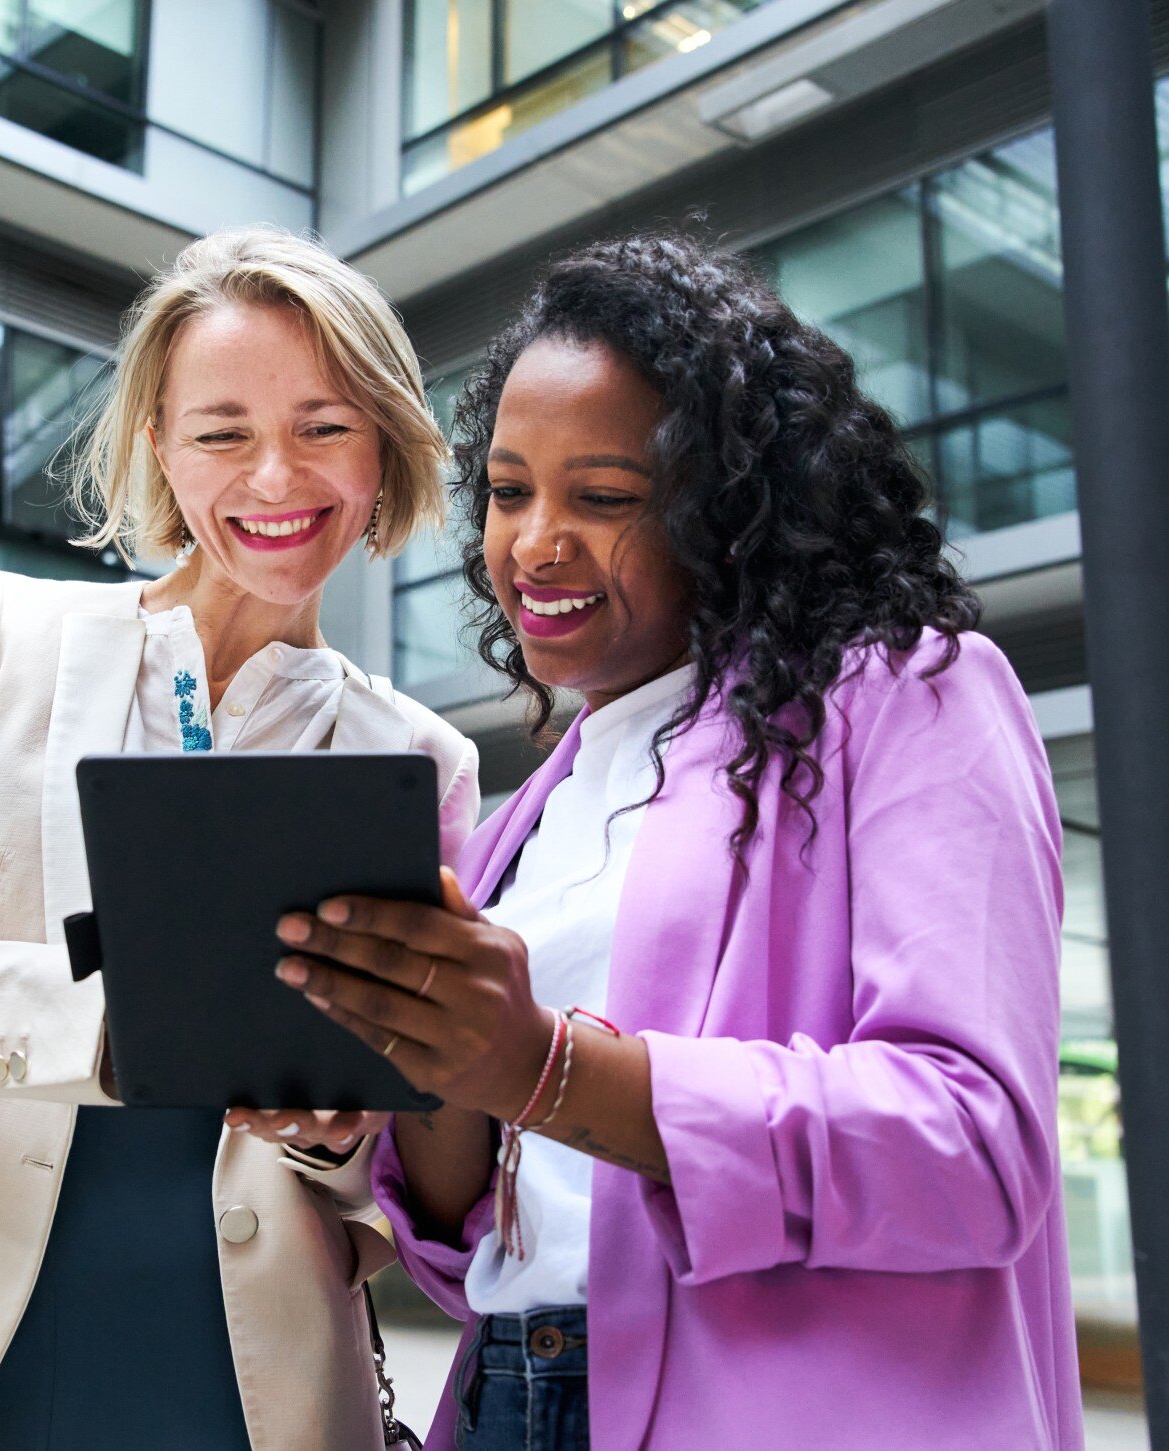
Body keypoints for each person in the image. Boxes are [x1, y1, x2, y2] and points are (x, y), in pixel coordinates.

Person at [275, 233, 1081, 1450]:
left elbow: (971, 1142)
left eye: (601, 496)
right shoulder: (522, 817)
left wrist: (547, 1065)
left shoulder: (908, 695)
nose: (533, 543)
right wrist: (417, 1054)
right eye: (504, 490)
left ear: (733, 509)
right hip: (504, 1390)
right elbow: (477, 1217)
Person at [0, 227, 480, 1451]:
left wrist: (341, 1129)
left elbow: (398, 1142)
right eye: (221, 431)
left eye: (324, 425)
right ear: (158, 449)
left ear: (384, 446)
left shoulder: (423, 759)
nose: (275, 477)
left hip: (233, 1361)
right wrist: (120, 1028)